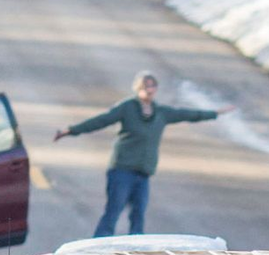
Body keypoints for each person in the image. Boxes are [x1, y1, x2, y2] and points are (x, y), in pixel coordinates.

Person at [54, 71, 234, 237]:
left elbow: (187, 114)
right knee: (114, 211)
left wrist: (215, 113)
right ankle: (97, 247)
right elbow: (101, 121)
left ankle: (136, 251)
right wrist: (70, 130)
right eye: (145, 87)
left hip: (143, 173)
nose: (149, 90)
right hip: (122, 170)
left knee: (138, 215)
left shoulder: (161, 113)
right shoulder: (127, 108)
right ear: (138, 89)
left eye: (152, 86)